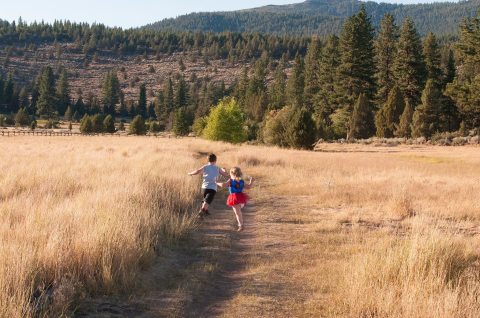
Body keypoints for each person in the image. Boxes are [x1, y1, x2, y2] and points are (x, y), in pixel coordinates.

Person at [217, 167, 254, 232]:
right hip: (241, 198)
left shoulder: (231, 180)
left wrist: (216, 182)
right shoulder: (241, 181)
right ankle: (241, 224)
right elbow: (249, 187)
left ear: (232, 174)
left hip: (234, 198)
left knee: (237, 213)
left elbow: (223, 185)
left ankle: (241, 225)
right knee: (238, 212)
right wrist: (252, 181)